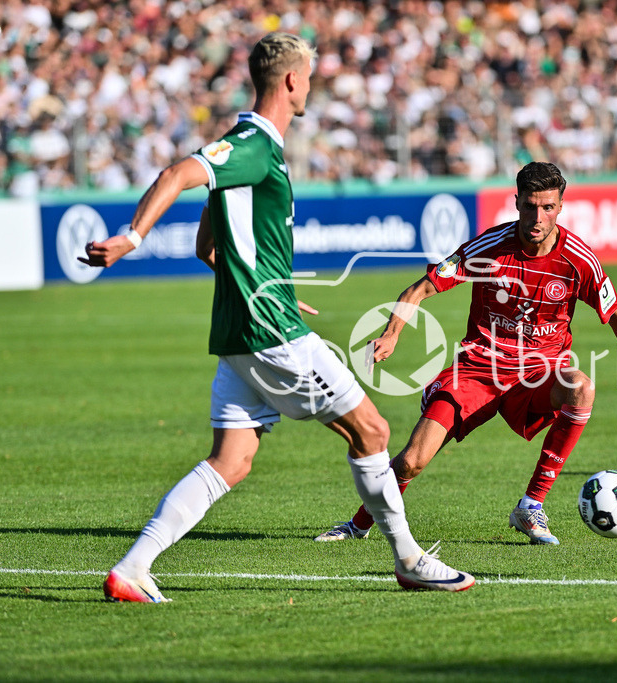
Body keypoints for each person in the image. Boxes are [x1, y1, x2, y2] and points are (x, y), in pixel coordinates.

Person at [80, 32, 474, 600]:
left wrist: (270, 287)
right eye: (308, 78)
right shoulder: (254, 145)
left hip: (242, 335)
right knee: (373, 430)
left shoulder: (251, 152)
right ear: (292, 81)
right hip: (270, 334)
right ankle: (409, 559)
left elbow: (207, 249)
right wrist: (131, 237)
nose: (310, 87)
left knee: (232, 460)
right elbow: (175, 174)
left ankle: (132, 567)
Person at [316, 162, 617, 546]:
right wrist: (391, 333)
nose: (538, 217)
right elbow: (421, 289)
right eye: (530, 206)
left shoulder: (578, 260)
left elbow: (614, 312)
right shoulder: (489, 249)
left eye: (547, 207)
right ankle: (359, 524)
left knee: (581, 387)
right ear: (516, 202)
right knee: (412, 460)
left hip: (539, 374)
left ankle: (531, 505)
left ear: (560, 207)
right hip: (478, 371)